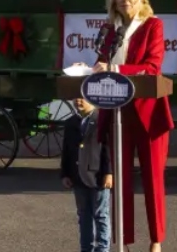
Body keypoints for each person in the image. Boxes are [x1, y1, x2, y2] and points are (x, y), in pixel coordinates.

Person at [92, 0, 172, 252]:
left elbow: (152, 66)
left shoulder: (153, 26)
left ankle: (156, 240)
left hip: (148, 113)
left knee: (152, 180)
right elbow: (101, 61)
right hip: (117, 113)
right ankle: (123, 242)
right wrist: (89, 68)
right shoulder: (110, 30)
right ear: (113, 1)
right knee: (120, 180)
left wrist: (115, 70)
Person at [60, 97, 113, 252]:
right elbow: (66, 151)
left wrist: (109, 172)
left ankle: (103, 248)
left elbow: (108, 148)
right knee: (83, 215)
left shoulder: (101, 120)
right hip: (77, 176)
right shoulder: (70, 123)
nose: (78, 101)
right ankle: (86, 248)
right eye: (75, 98)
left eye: (82, 98)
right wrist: (65, 174)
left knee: (101, 215)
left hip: (97, 176)